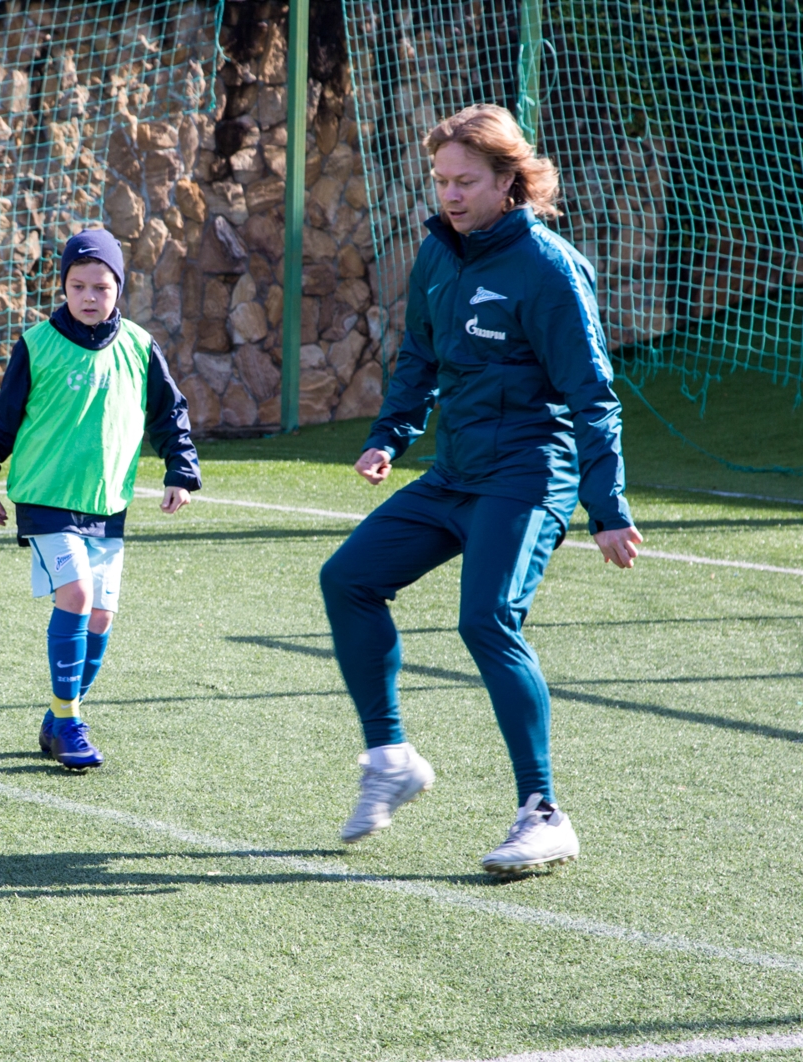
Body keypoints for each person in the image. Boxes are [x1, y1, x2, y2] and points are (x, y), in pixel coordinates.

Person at [318, 105, 643, 877]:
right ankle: (391, 757)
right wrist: (389, 435)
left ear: (509, 181)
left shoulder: (550, 268)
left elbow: (593, 397)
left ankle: (544, 813)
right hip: (456, 470)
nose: (452, 196)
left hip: (529, 473)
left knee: (487, 619)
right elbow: (419, 359)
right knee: (349, 579)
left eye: (467, 181)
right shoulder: (439, 254)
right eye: (441, 181)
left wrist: (607, 508)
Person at [0, 228, 201, 769]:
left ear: (119, 287)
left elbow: (169, 414)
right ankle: (70, 723)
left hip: (106, 502)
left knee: (102, 616)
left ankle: (58, 713)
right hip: (46, 497)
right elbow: (2, 418)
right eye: (78, 286)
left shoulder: (140, 346)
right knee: (75, 595)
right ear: (63, 288)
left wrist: (180, 471)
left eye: (101, 286)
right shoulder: (37, 344)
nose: (90, 296)